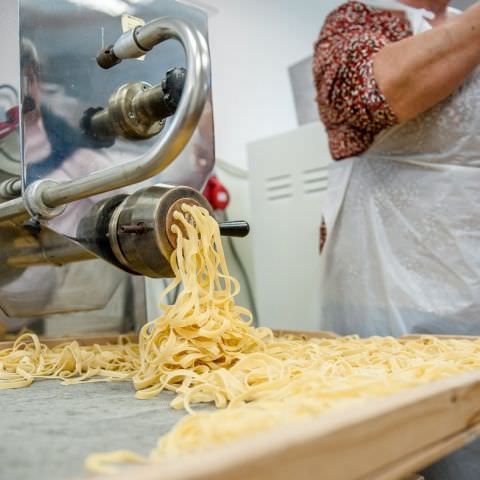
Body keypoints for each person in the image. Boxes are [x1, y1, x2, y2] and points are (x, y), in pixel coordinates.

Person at [314, 1, 480, 478]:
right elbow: (375, 93)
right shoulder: (359, 20)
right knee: (401, 447)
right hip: (390, 282)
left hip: (471, 271)